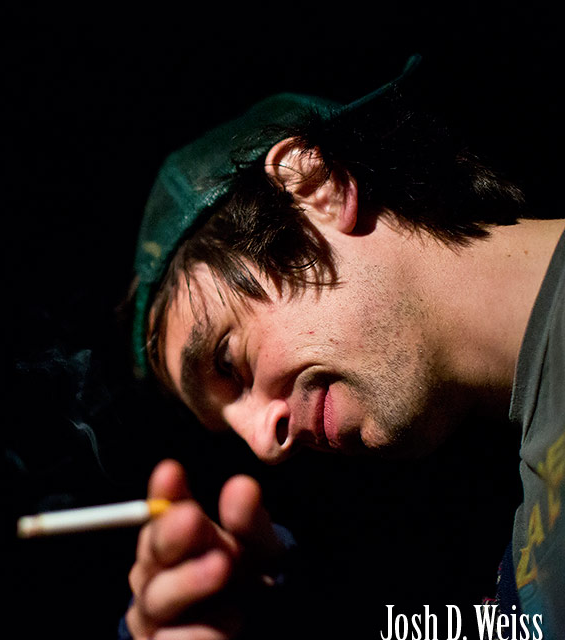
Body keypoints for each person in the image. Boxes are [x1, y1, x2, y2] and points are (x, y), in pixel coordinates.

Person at [122, 56, 564, 640]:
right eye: (230, 428)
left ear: (314, 190)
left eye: (229, 361)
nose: (265, 445)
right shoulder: (511, 506)